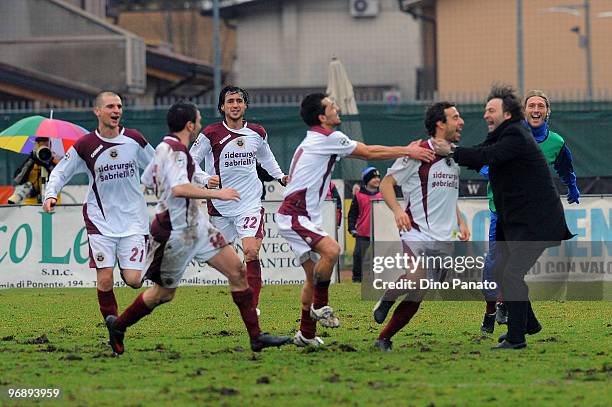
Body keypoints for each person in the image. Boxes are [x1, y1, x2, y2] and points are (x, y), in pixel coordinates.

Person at [105, 101, 290, 354]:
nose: (201, 121)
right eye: (198, 118)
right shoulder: (176, 152)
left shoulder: (166, 148)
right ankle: (120, 325)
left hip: (197, 226)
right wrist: (218, 194)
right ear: (190, 125)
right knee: (163, 294)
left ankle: (256, 336)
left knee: (237, 271)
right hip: (175, 232)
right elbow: (179, 188)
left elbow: (147, 178)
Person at [277, 93, 436, 347]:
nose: (337, 108)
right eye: (331, 106)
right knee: (333, 250)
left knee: (312, 277)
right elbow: (369, 152)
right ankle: (320, 305)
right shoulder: (328, 137)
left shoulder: (317, 139)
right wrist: (408, 150)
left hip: (300, 215)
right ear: (321, 117)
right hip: (296, 214)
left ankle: (306, 334)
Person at [433, 84, 573, 349]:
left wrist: (451, 151)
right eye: (485, 109)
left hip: (537, 223)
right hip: (514, 220)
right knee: (499, 270)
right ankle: (528, 323)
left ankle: (516, 338)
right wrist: (453, 152)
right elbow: (480, 155)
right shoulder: (501, 134)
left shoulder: (515, 135)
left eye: (491, 110)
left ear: (507, 114)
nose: (485, 115)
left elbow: (488, 156)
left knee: (511, 275)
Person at [43, 91, 154, 324]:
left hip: (133, 220)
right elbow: (61, 171)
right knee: (104, 279)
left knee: (134, 280)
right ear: (98, 111)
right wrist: (51, 194)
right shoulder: (85, 145)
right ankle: (114, 328)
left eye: (119, 106)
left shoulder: (134, 139)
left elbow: (157, 166)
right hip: (100, 221)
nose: (116, 111)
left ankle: (128, 268)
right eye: (111, 106)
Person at [478, 89, 581, 334]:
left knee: (512, 268)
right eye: (531, 106)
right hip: (502, 210)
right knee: (495, 264)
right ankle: (493, 310)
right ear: (524, 111)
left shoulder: (556, 142)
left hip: (530, 215)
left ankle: (510, 312)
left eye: (540, 106)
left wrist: (573, 188)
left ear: (547, 112)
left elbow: (566, 168)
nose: (536, 110)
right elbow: (484, 164)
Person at [371, 101, 470, 351]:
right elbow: (386, 184)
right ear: (440, 123)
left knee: (422, 291)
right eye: (455, 117)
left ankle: (384, 336)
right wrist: (397, 211)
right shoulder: (417, 152)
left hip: (444, 236)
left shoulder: (455, 155)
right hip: (416, 230)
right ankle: (387, 301)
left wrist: (461, 220)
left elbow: (448, 196)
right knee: (416, 280)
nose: (461, 122)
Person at [190, 86, 288, 314]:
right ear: (222, 107)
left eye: (239, 101)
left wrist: (281, 176)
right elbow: (189, 161)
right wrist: (205, 178)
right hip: (220, 207)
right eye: (230, 101)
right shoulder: (210, 133)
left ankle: (252, 307)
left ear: (245, 105)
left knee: (251, 252)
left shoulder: (257, 132)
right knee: (229, 265)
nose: (235, 105)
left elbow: (267, 158)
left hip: (250, 204)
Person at [348, 167, 382, 282]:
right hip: (363, 232)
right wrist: (352, 228)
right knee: (358, 256)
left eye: (378, 177)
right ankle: (357, 279)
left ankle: (379, 278)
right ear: (367, 180)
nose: (377, 180)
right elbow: (352, 214)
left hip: (380, 232)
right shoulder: (358, 196)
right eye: (374, 178)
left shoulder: (383, 194)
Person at [8, 137, 61, 205]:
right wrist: (31, 161)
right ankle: (16, 198)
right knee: (27, 186)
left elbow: (60, 178)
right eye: (41, 145)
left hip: (51, 201)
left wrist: (48, 163)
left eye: (46, 145)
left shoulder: (55, 159)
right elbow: (18, 179)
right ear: (36, 146)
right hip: (31, 203)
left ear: (50, 145)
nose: (43, 148)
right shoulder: (31, 160)